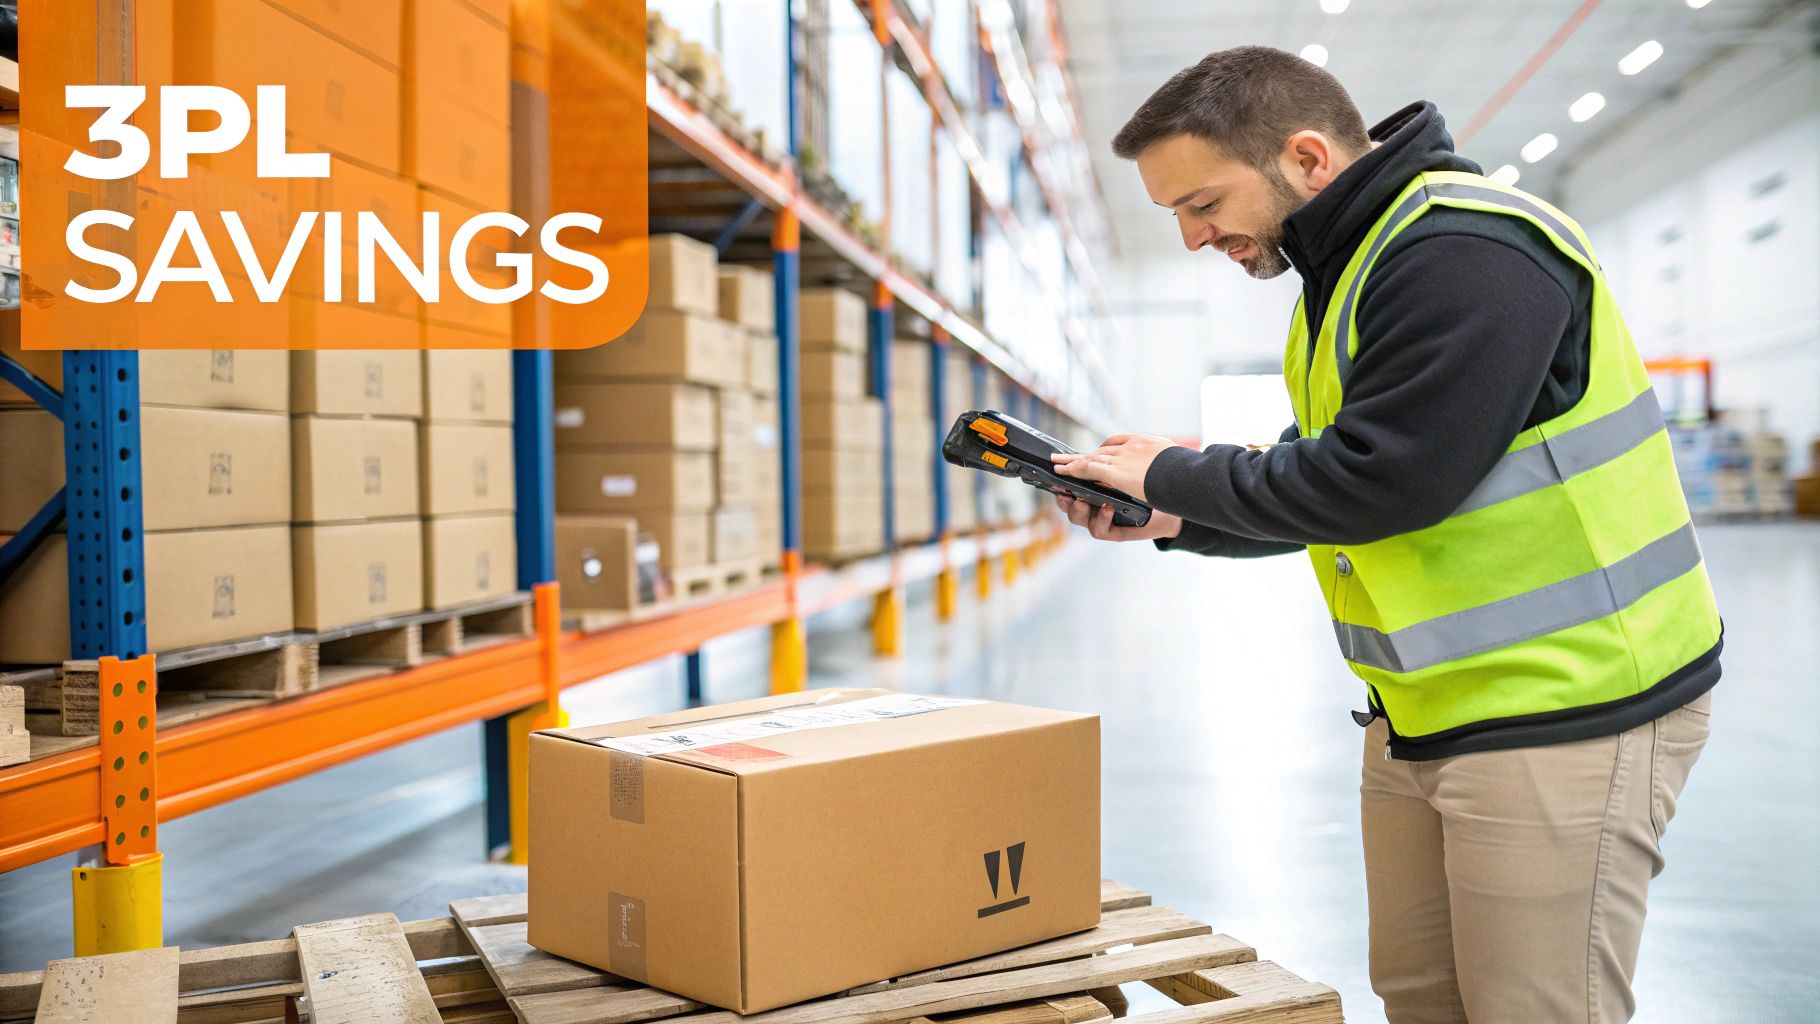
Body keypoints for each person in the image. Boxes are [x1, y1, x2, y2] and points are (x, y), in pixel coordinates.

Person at [1051, 46, 1721, 1024]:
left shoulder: (1464, 252)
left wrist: (1171, 469)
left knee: (1532, 1008)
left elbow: (1386, 476)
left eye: (1202, 203)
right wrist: (1178, 513)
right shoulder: (1351, 268)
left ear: (1307, 158)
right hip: (1423, 711)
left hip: (1567, 707)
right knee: (1421, 997)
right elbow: (1332, 470)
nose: (1196, 236)